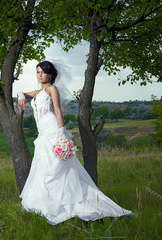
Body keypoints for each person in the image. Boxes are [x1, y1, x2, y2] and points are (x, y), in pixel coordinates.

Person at [17, 60, 132, 225]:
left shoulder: (51, 89)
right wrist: (21, 95)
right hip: (42, 133)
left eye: (43, 72)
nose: (40, 75)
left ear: (50, 74)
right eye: (37, 72)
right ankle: (47, 202)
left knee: (58, 168)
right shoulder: (39, 90)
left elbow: (57, 110)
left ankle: (67, 201)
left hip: (52, 130)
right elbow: (25, 94)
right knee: (44, 167)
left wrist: (61, 134)